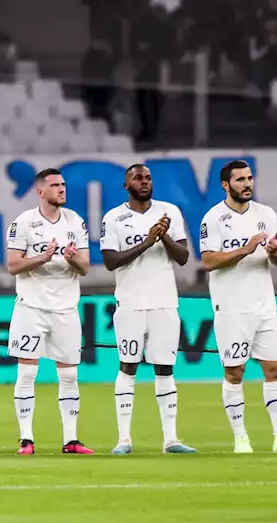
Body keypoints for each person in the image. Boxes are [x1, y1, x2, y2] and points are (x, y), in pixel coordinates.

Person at [199, 160, 277, 454]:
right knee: (235, 372)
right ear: (226, 185)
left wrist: (275, 253)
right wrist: (245, 250)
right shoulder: (213, 218)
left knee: (274, 368)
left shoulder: (266, 214)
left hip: (264, 304)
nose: (247, 184)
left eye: (249, 178)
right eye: (240, 180)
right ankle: (241, 438)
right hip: (232, 307)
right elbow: (208, 261)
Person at [100, 164, 197, 455]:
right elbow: (110, 261)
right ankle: (123, 439)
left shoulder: (170, 212)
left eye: (148, 178)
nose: (144, 182)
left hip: (165, 302)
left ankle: (171, 440)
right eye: (137, 178)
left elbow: (183, 257)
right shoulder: (114, 217)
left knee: (165, 369)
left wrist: (164, 236)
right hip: (130, 303)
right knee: (127, 366)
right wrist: (147, 242)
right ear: (125, 185)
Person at [5, 168, 94, 456]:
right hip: (32, 307)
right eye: (55, 185)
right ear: (40, 191)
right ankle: (26, 439)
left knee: (69, 376)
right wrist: (42, 257)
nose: (62, 189)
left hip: (66, 309)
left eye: (63, 184)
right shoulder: (25, 223)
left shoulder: (75, 221)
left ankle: (71, 440)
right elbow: (13, 265)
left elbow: (85, 267)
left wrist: (72, 260)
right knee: (27, 372)